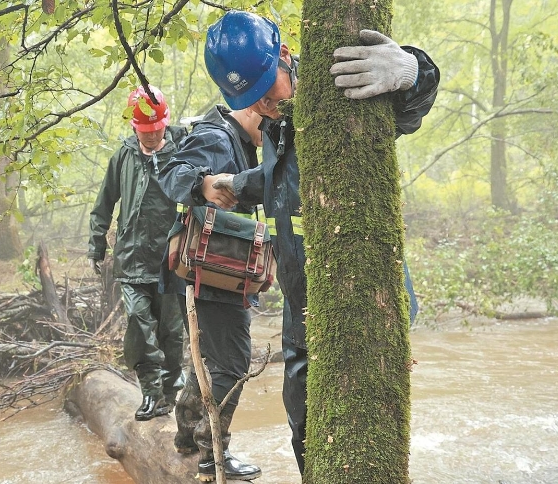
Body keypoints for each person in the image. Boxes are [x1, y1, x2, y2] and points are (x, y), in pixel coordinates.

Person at [201, 11, 439, 478]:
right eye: (255, 101)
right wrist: (235, 183)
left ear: (286, 57)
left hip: (360, 295)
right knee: (304, 425)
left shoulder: (334, 89)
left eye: (270, 90)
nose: (268, 106)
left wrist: (413, 71)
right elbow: (283, 179)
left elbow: (409, 111)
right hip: (300, 299)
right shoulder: (276, 120)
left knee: (361, 425)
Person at [157, 106, 265, 481]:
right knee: (233, 365)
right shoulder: (219, 137)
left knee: (206, 360)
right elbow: (172, 173)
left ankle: (187, 436)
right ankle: (213, 453)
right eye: (269, 122)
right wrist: (201, 185)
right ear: (254, 108)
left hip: (210, 273)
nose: (271, 134)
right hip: (216, 275)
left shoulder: (233, 137)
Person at [87, 85, 187, 421]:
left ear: (165, 123)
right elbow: (103, 204)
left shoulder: (183, 150)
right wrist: (96, 245)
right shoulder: (124, 156)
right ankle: (150, 393)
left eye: (156, 129)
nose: (151, 135)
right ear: (134, 127)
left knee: (171, 332)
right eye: (145, 131)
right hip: (130, 259)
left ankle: (172, 393)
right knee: (138, 325)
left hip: (171, 260)